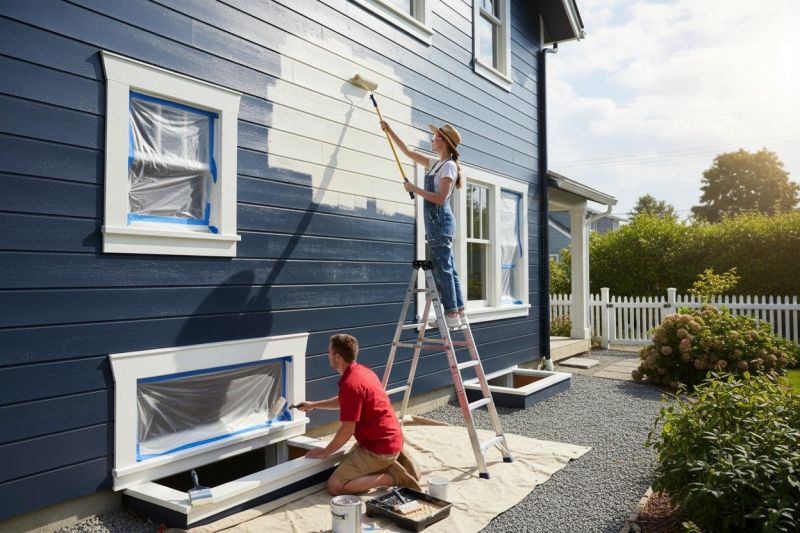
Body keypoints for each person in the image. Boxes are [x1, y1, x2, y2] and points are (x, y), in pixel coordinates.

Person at [297, 334, 420, 495]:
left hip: (379, 449)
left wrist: (325, 452)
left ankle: (392, 477)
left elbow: (348, 429)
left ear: (337, 356)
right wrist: (314, 405)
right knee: (345, 468)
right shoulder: (362, 372)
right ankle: (387, 464)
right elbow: (345, 401)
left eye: (329, 352)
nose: (328, 355)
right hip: (387, 440)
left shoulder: (351, 385)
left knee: (335, 486)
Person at [380, 120, 466, 329]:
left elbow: (440, 199)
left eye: (435, 137)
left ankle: (451, 313)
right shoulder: (436, 163)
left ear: (443, 141)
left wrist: (414, 189)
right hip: (437, 222)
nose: (432, 139)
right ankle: (459, 311)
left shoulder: (448, 166)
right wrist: (389, 131)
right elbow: (408, 152)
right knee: (449, 268)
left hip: (440, 221)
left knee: (443, 268)